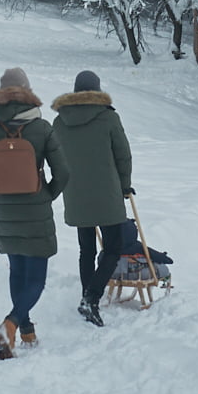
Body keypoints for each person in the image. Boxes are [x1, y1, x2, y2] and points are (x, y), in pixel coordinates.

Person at [0, 67, 69, 359]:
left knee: (18, 271)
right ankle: (11, 324)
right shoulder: (42, 128)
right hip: (36, 209)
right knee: (36, 278)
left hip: (4, 213)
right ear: (27, 92)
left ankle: (25, 333)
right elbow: (63, 172)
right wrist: (47, 194)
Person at [51, 70, 133, 327]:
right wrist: (125, 185)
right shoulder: (108, 117)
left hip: (75, 194)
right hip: (106, 194)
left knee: (86, 250)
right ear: (97, 91)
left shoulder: (59, 121)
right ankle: (91, 298)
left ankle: (87, 297)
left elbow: (55, 158)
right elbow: (123, 155)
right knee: (113, 248)